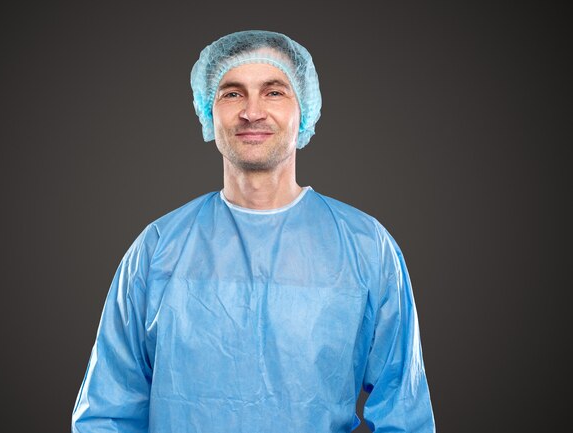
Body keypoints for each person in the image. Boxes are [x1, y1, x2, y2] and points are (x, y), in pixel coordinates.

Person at [72, 30, 435, 433]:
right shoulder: (158, 249)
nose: (252, 112)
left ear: (305, 109)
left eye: (274, 92)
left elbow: (404, 412)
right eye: (232, 93)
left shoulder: (366, 248)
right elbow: (107, 414)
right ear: (209, 110)